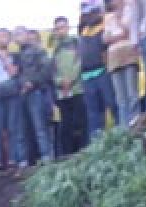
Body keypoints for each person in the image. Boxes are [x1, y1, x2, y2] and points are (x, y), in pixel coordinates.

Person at [80, 1, 119, 140]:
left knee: (112, 104)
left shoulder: (104, 26)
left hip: (103, 72)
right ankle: (97, 142)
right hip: (86, 76)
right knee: (93, 113)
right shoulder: (83, 31)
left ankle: (120, 134)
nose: (88, 15)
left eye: (91, 12)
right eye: (85, 13)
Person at [17, 26, 56, 163]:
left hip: (37, 91)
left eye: (21, 34)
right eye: (16, 35)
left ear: (27, 35)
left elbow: (47, 70)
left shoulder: (38, 50)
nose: (19, 37)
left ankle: (46, 156)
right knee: (25, 129)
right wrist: (21, 85)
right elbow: (18, 74)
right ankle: (29, 160)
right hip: (23, 94)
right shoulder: (18, 54)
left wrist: (32, 83)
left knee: (40, 126)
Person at [53, 15, 88, 155]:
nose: (60, 30)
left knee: (79, 122)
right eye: (57, 28)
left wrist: (70, 79)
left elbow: (80, 62)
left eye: (62, 27)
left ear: (67, 27)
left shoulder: (76, 42)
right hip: (62, 93)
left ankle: (82, 151)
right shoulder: (55, 49)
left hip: (77, 89)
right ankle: (67, 154)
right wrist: (60, 81)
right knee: (65, 124)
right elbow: (52, 71)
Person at [105, 0, 142, 125]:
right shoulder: (108, 16)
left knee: (132, 95)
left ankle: (135, 126)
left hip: (129, 56)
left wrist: (119, 20)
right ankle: (123, 130)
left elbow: (130, 32)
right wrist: (120, 35)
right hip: (114, 59)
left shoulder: (130, 10)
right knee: (120, 99)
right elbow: (105, 39)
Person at [0, 31, 23, 167]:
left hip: (11, 94)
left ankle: (13, 158)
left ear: (9, 39)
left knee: (12, 127)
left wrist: (4, 58)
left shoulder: (15, 56)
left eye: (4, 36)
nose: (1, 39)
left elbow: (14, 72)